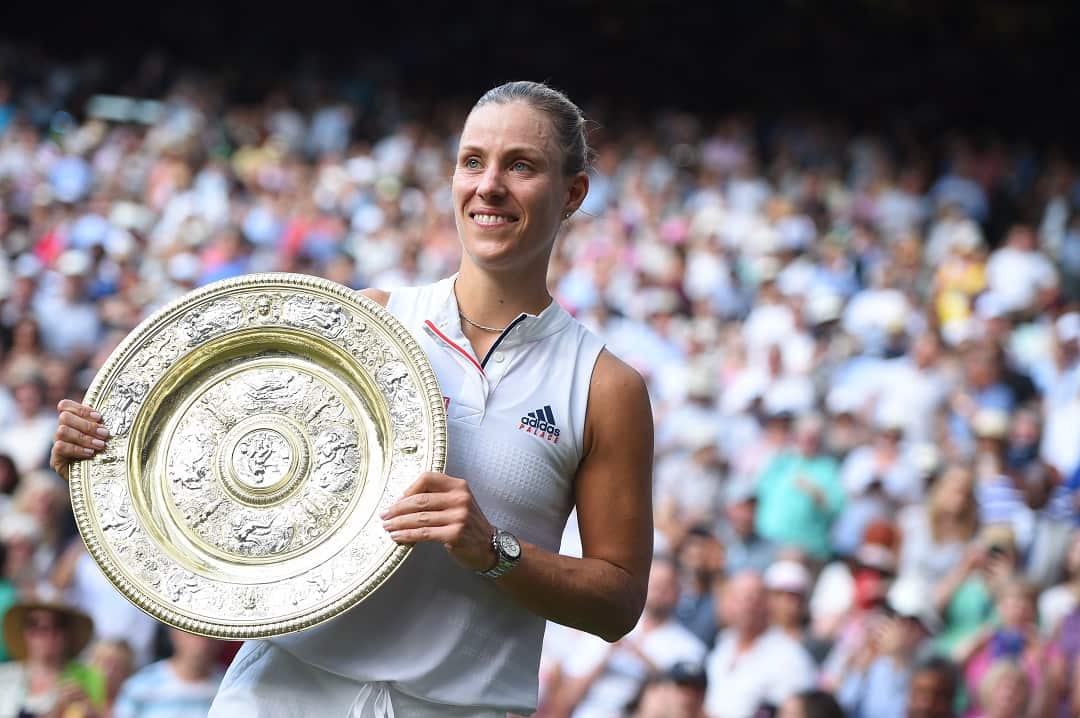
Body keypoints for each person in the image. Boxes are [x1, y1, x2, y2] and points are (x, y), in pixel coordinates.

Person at [49, 80, 654, 718]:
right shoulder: (365, 323)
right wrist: (107, 457)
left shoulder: (604, 386)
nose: (489, 186)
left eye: (521, 166)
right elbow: (235, 461)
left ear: (573, 193)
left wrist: (494, 551)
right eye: (473, 161)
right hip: (282, 692)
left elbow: (617, 603)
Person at [554, 556, 707, 718]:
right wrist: (607, 655)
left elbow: (686, 706)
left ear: (679, 591)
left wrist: (643, 659)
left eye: (666, 585)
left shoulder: (689, 648)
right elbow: (567, 697)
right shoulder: (604, 626)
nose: (658, 590)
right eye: (654, 582)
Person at [703, 571, 816, 718]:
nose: (746, 606)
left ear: (768, 604)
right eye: (737, 599)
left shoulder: (790, 657)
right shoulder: (724, 643)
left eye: (752, 599)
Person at [0, 594, 105, 718]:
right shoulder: (4, 676)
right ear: (25, 633)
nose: (47, 632)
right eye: (35, 624)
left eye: (57, 625)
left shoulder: (88, 679)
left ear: (68, 633)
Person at [113, 629, 225, 718]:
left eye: (210, 637)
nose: (202, 645)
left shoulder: (227, 688)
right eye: (194, 635)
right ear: (175, 634)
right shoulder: (139, 686)